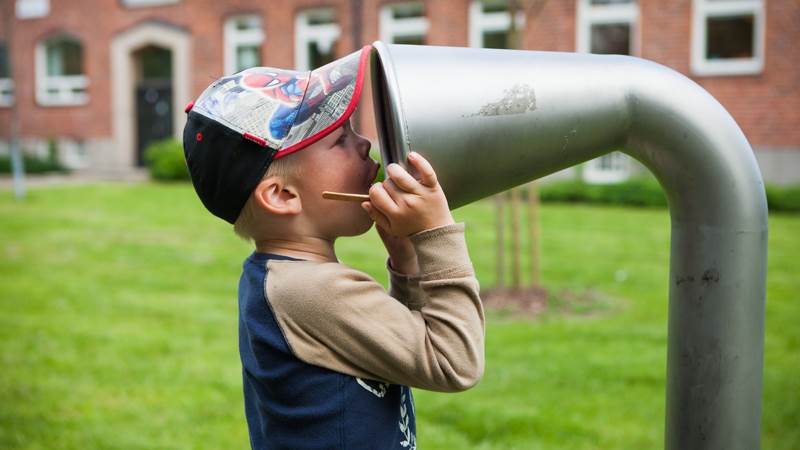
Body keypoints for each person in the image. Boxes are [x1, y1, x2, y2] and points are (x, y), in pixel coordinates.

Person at [182, 44, 485, 450]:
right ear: (282, 195)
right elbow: (453, 361)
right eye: (339, 139)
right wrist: (436, 233)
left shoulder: (279, 277)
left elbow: (405, 349)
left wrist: (406, 258)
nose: (364, 143)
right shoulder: (312, 291)